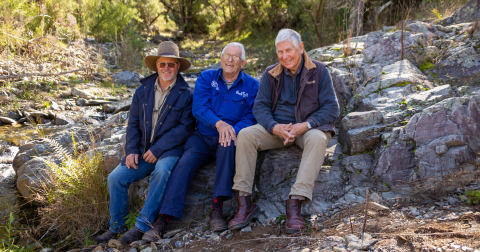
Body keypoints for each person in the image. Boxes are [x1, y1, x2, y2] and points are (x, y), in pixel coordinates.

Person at [142, 42, 259, 241]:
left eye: (235, 57)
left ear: (243, 62)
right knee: (185, 161)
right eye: (227, 55)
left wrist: (232, 130)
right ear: (220, 58)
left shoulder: (252, 85)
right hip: (203, 135)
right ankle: (163, 218)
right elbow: (199, 108)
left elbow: (252, 116)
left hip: (230, 136)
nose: (230, 60)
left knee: (228, 146)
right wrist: (219, 124)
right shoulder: (206, 77)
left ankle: (216, 208)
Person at [228, 29, 340, 234]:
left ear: (301, 47)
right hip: (277, 129)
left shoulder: (320, 71)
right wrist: (273, 126)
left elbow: (332, 108)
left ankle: (295, 203)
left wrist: (306, 125)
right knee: (245, 135)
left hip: (306, 129)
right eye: (280, 52)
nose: (284, 56)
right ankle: (244, 202)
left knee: (318, 139)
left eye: (289, 50)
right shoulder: (271, 73)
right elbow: (260, 107)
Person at [95, 41, 196, 244]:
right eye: (162, 64)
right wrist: (131, 149)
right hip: (142, 150)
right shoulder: (143, 89)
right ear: (156, 65)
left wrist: (158, 149)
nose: (166, 68)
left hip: (170, 151)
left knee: (161, 172)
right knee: (116, 178)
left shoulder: (187, 94)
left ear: (178, 66)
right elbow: (133, 122)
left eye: (171, 64)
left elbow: (185, 128)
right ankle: (117, 227)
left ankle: (142, 226)